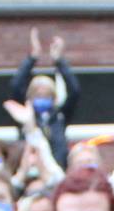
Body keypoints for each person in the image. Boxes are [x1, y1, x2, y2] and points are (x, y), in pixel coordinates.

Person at [8, 27, 80, 167]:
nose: (42, 97)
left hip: (58, 171)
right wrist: (33, 57)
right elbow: (16, 86)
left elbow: (75, 91)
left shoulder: (60, 116)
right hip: (30, 170)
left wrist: (59, 61)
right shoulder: (24, 117)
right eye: (37, 94)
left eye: (47, 94)